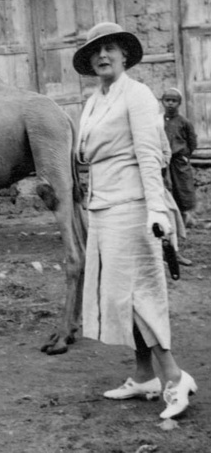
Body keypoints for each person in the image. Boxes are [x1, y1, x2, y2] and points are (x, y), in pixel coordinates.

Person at [73, 22, 197, 420]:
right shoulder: (94, 100)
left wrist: (158, 211)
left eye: (110, 48)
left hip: (133, 206)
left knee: (140, 294)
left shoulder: (138, 95)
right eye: (96, 51)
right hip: (103, 207)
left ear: (125, 55)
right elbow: (84, 154)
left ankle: (175, 378)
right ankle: (145, 376)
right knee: (118, 295)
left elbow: (149, 155)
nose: (103, 56)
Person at [161, 88, 197, 228]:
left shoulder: (184, 122)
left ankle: (187, 216)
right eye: (167, 100)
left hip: (179, 160)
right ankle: (170, 218)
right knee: (166, 186)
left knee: (183, 186)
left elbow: (192, 140)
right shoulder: (159, 120)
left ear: (179, 103)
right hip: (164, 160)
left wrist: (185, 155)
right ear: (162, 102)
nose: (170, 103)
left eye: (174, 101)